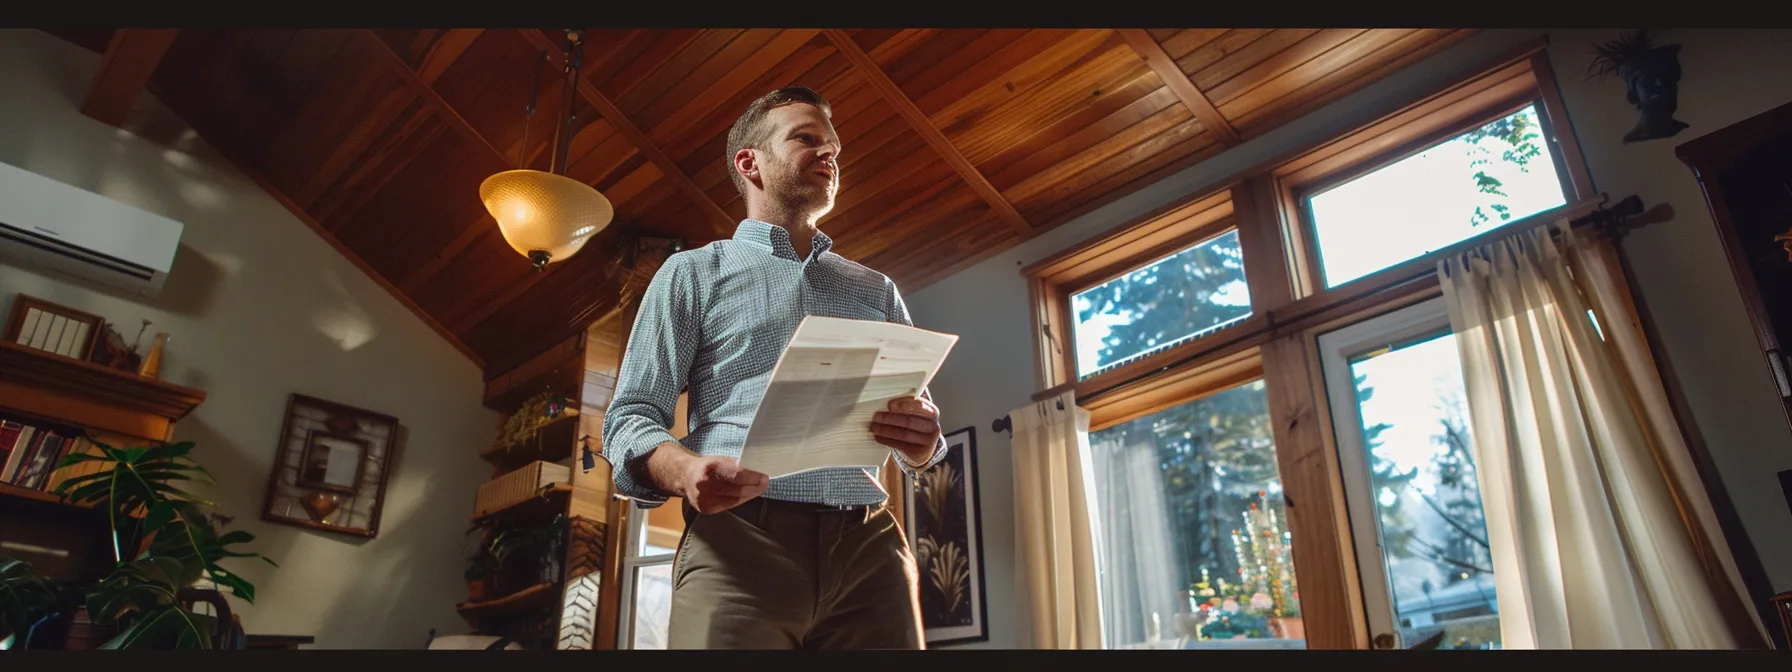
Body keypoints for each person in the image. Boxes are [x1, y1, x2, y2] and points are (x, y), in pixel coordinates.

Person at [601, 85, 949, 650]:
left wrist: (924, 442)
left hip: (872, 551)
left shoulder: (878, 290)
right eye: (806, 138)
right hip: (736, 545)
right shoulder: (691, 273)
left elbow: (921, 427)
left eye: (834, 147)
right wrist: (685, 471)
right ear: (750, 163)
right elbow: (629, 418)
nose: (829, 153)